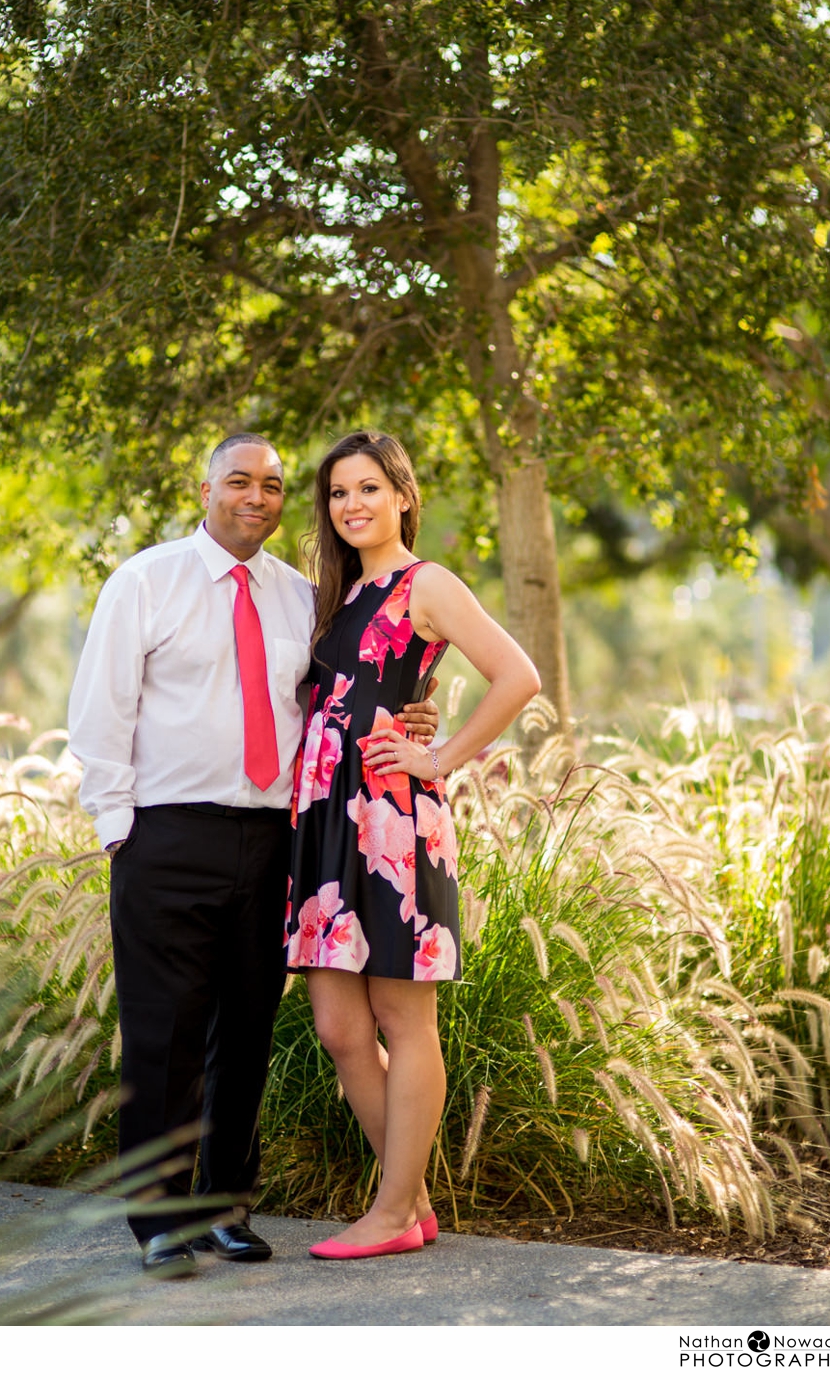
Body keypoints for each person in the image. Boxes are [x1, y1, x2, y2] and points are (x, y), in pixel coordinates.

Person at [67, 434, 438, 1277]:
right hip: (166, 833)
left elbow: (358, 683)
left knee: (245, 1030)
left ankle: (228, 1206)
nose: (257, 497)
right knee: (163, 1032)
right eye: (239, 481)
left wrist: (420, 715)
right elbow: (98, 711)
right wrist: (118, 828)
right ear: (206, 489)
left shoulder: (307, 598)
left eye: (272, 485)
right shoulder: (145, 582)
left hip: (276, 838)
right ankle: (161, 1219)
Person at [285, 431, 541, 1259]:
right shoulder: (340, 594)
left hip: (392, 821)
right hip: (325, 822)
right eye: (337, 494)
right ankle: (414, 1200)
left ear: (402, 493)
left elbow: (518, 676)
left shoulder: (424, 583)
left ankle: (392, 1213)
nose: (351, 504)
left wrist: (437, 756)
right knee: (338, 1026)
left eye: (368, 488)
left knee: (401, 1016)